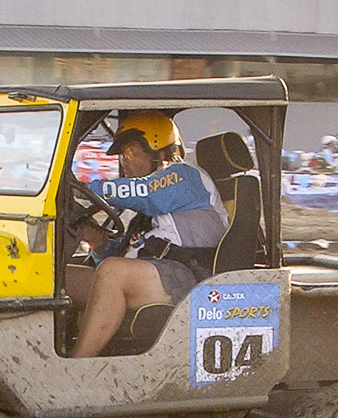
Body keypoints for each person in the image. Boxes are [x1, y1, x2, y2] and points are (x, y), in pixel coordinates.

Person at [67, 111, 227, 358]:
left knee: (112, 271)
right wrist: (97, 241)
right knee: (59, 276)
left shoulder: (185, 176)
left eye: (130, 153)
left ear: (159, 152)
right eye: (122, 156)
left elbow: (147, 193)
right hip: (152, 275)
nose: (124, 162)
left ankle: (76, 366)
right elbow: (123, 254)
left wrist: (82, 188)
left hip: (190, 278)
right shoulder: (137, 206)